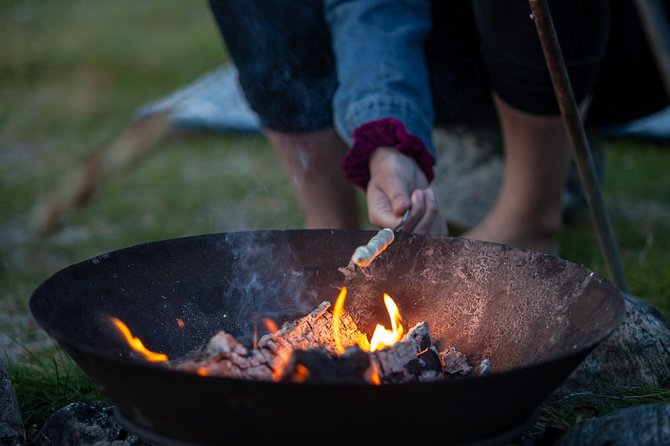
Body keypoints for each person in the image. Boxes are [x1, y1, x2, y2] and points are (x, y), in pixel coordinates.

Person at [208, 0, 667, 253]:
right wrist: (388, 143)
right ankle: (330, 222)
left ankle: (529, 213)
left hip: (607, 46)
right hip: (448, 55)